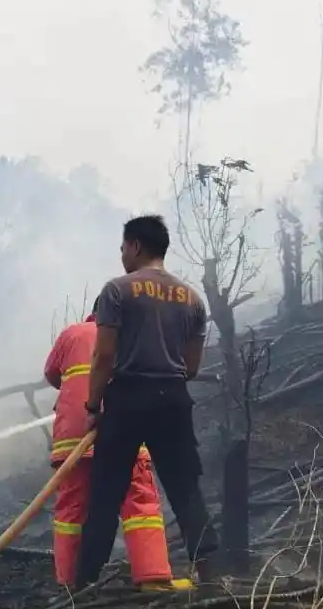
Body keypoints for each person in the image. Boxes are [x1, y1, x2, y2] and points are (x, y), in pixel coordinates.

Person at [75, 215, 219, 589]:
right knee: (186, 489)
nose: (122, 254)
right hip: (173, 399)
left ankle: (84, 586)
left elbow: (103, 357)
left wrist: (92, 407)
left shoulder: (117, 291)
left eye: (124, 247)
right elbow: (191, 366)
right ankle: (211, 577)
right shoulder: (193, 299)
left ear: (136, 245)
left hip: (127, 398)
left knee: (106, 493)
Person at [44, 307, 183, 590]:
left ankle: (69, 585)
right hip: (125, 428)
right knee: (138, 500)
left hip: (73, 435)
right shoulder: (132, 336)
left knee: (72, 507)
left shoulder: (71, 334)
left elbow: (52, 375)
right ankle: (153, 578)